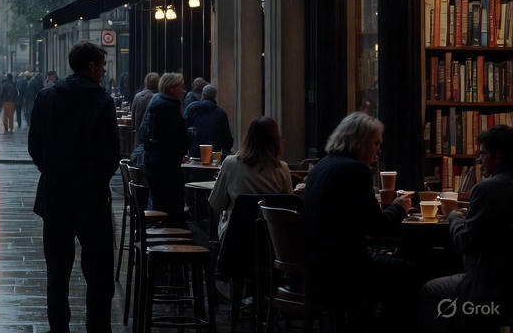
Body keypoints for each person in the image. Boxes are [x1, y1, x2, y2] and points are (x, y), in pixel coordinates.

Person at [28, 41, 119, 333]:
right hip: (91, 197)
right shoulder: (102, 101)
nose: (104, 72)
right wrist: (95, 179)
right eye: (102, 66)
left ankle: (59, 328)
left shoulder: (46, 97)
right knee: (98, 272)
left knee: (57, 271)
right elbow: (111, 155)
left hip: (55, 195)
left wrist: (53, 171)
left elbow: (35, 147)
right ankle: (98, 326)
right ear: (91, 66)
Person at [304, 112, 416, 326]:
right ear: (360, 143)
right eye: (375, 143)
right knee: (411, 273)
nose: (379, 149)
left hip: (317, 267)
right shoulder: (354, 170)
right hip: (345, 271)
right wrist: (400, 207)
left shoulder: (322, 166)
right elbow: (378, 227)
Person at [419, 124, 513, 332]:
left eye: (483, 153)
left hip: (490, 284)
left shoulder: (488, 188)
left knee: (430, 290)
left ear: (498, 155)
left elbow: (465, 242)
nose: (479, 160)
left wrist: (452, 214)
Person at [207, 116, 291, 238]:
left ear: (248, 138)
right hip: (269, 239)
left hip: (235, 237)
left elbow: (216, 203)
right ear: (276, 140)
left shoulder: (230, 164)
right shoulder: (282, 168)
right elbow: (288, 204)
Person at [138, 72, 192, 226]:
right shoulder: (168, 107)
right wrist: (190, 135)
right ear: (172, 89)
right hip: (165, 167)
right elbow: (175, 138)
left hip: (157, 164)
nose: (184, 90)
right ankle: (172, 239)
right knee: (171, 206)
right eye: (182, 87)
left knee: (162, 203)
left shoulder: (157, 103)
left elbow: (145, 134)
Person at [184, 83, 233, 156]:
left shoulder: (191, 108)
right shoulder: (221, 113)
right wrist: (226, 150)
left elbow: (183, 128)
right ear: (214, 96)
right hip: (213, 153)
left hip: (194, 151)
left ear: (203, 94)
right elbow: (226, 136)